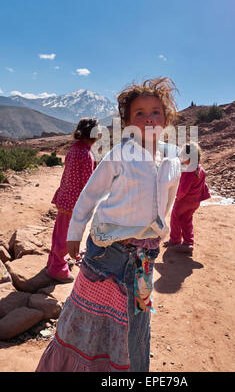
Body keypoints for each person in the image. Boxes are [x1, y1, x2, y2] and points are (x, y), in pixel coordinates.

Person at [36, 77, 181, 372]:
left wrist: (160, 231)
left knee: (136, 322)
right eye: (138, 113)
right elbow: (90, 194)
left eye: (155, 111)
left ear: (166, 118)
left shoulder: (172, 158)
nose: (148, 118)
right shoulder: (120, 154)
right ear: (128, 122)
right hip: (107, 251)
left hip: (144, 256)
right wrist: (75, 233)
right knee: (89, 317)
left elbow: (169, 198)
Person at [46, 118, 100, 283]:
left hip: (65, 198)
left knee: (59, 233)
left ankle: (53, 261)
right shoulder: (86, 154)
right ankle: (57, 268)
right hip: (74, 203)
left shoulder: (74, 149)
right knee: (67, 237)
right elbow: (88, 184)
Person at [164, 142, 211, 254]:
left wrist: (177, 197)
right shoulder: (200, 170)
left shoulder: (188, 171)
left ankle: (175, 241)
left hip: (184, 201)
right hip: (195, 202)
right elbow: (203, 185)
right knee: (187, 220)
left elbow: (183, 188)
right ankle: (188, 243)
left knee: (175, 218)